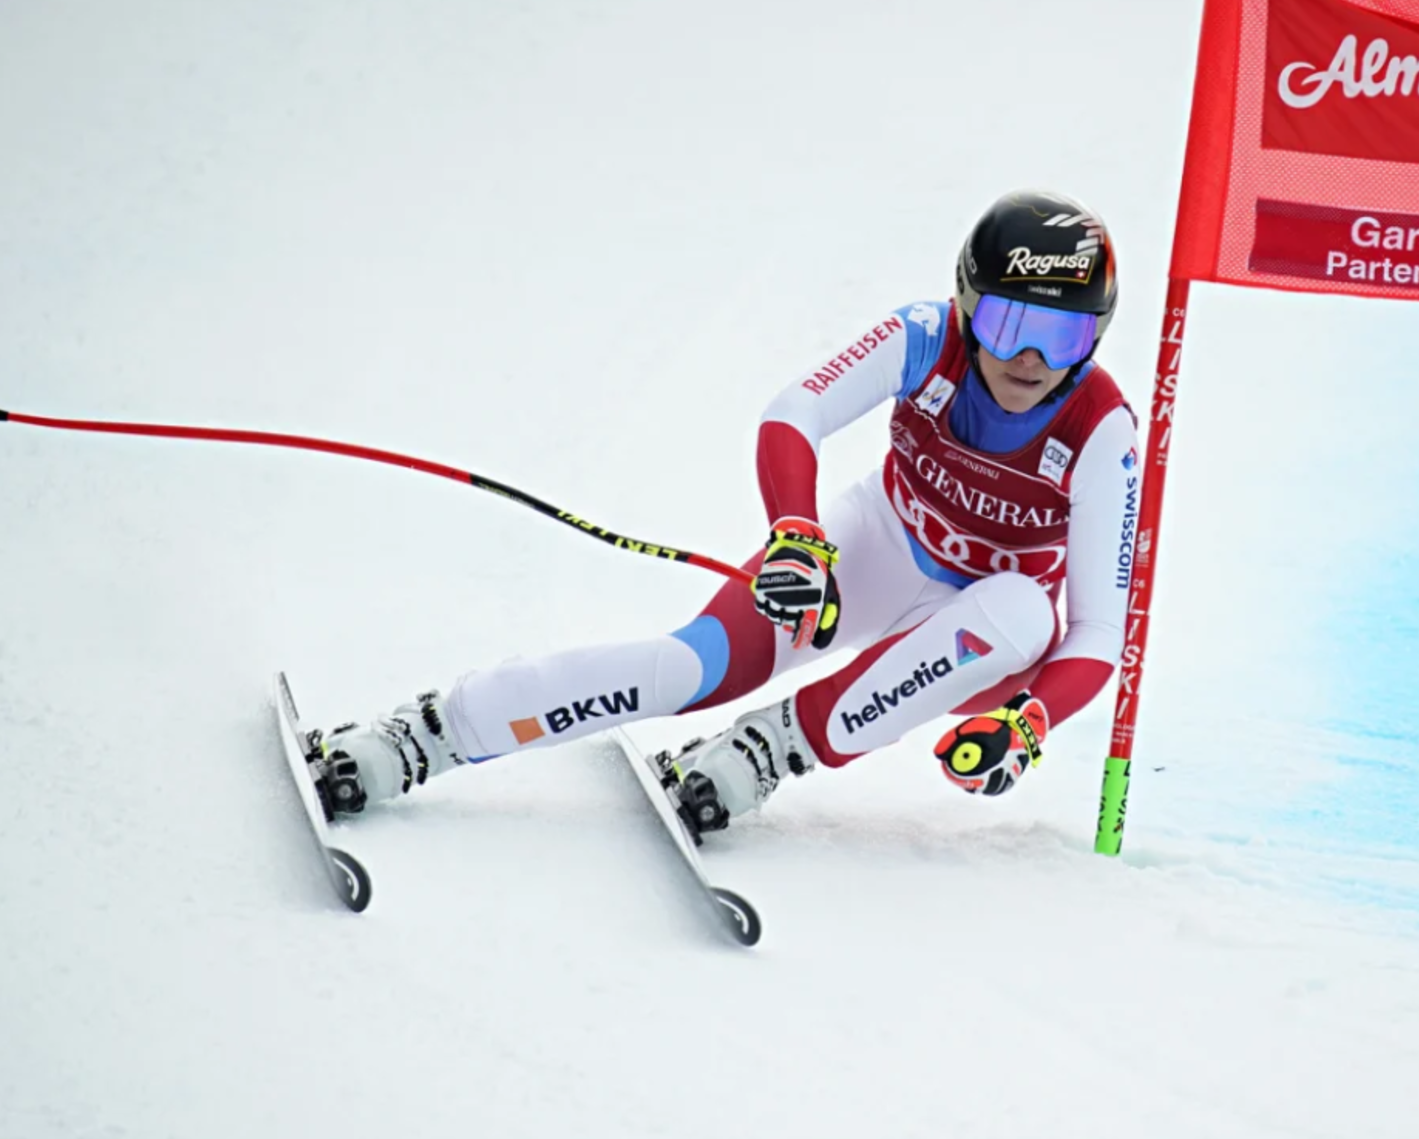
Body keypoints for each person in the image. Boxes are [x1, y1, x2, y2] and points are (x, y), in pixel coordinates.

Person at [311, 189, 1140, 838]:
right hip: (876, 549)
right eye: (1007, 322)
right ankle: (426, 733)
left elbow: (1099, 632)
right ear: (966, 306)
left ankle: (774, 746)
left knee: (1028, 607)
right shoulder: (926, 335)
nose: (1029, 359)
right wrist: (797, 535)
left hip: (984, 635)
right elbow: (794, 412)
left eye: (1062, 337)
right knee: (689, 669)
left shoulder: (1101, 430)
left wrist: (1028, 723)